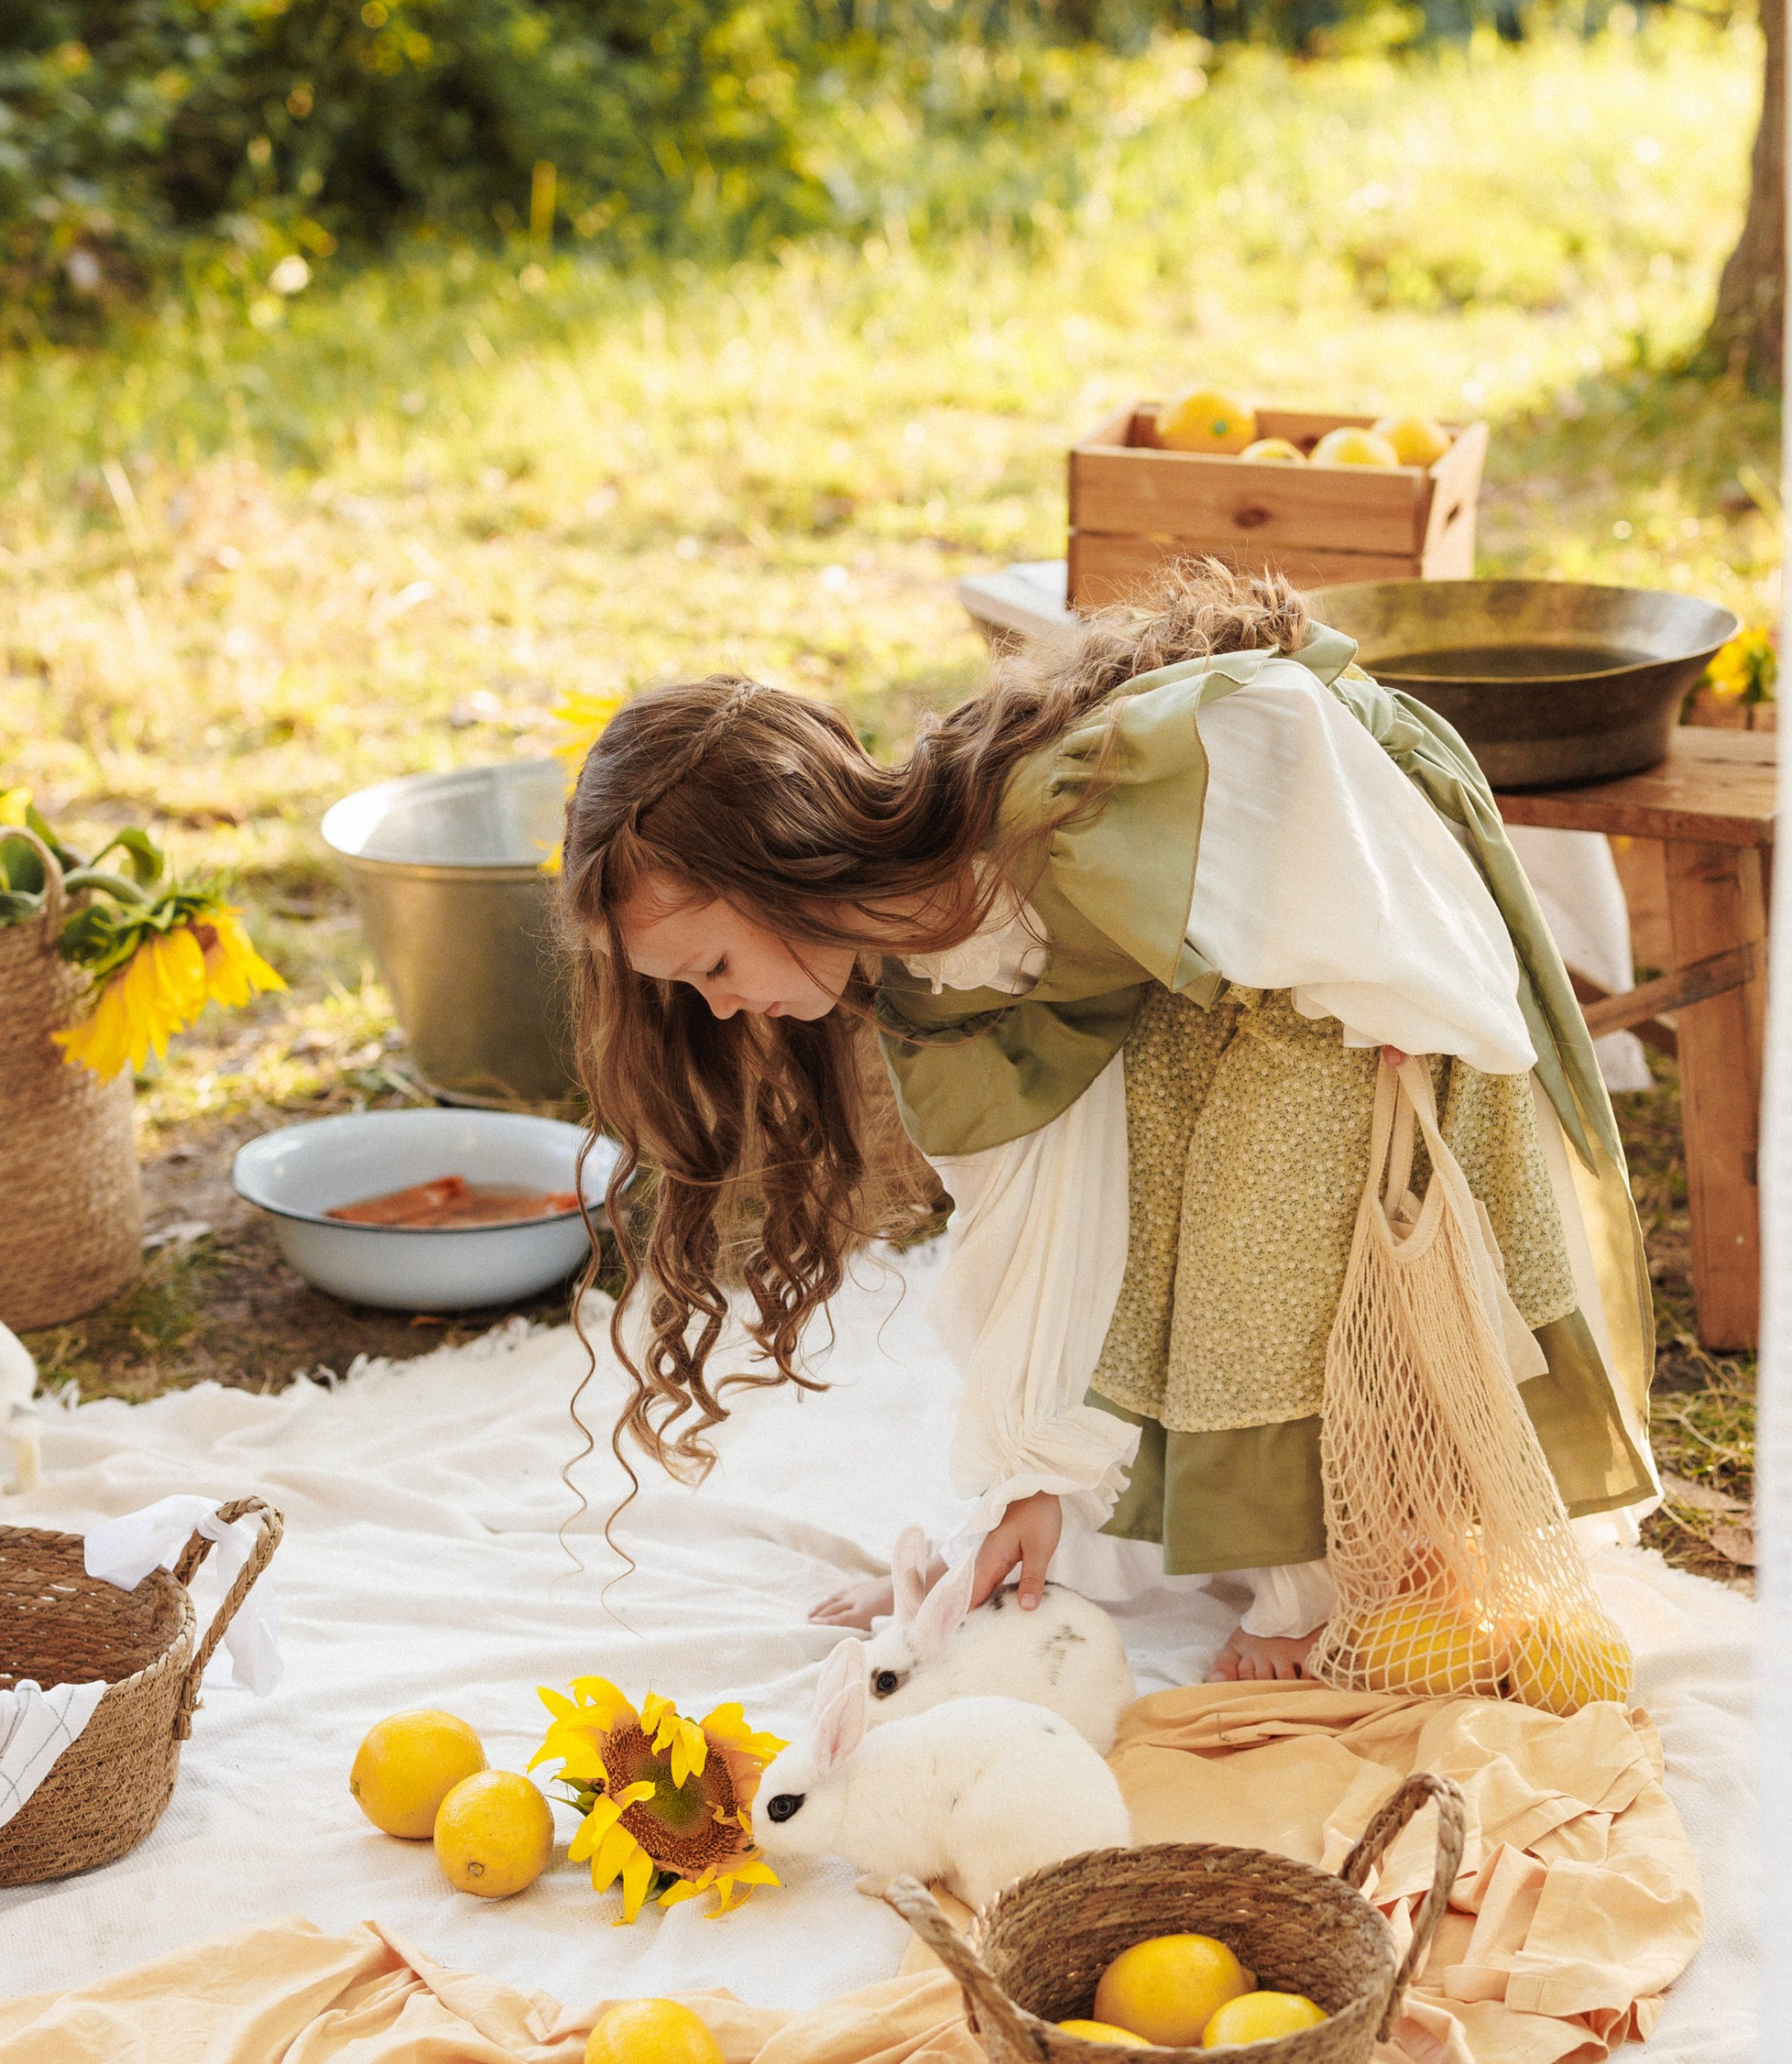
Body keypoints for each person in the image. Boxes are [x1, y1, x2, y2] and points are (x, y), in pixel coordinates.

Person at [560, 565, 1655, 1683]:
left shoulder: (1074, 807)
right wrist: (1029, 1482)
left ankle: (1325, 1574)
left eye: (713, 965)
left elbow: (1289, 729)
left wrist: (1383, 972)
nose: (723, 1006)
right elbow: (1031, 1209)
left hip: (1358, 979)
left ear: (782, 858)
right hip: (1213, 1016)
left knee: (1257, 1238)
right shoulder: (929, 985)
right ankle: (1206, 1522)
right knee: (1140, 1211)